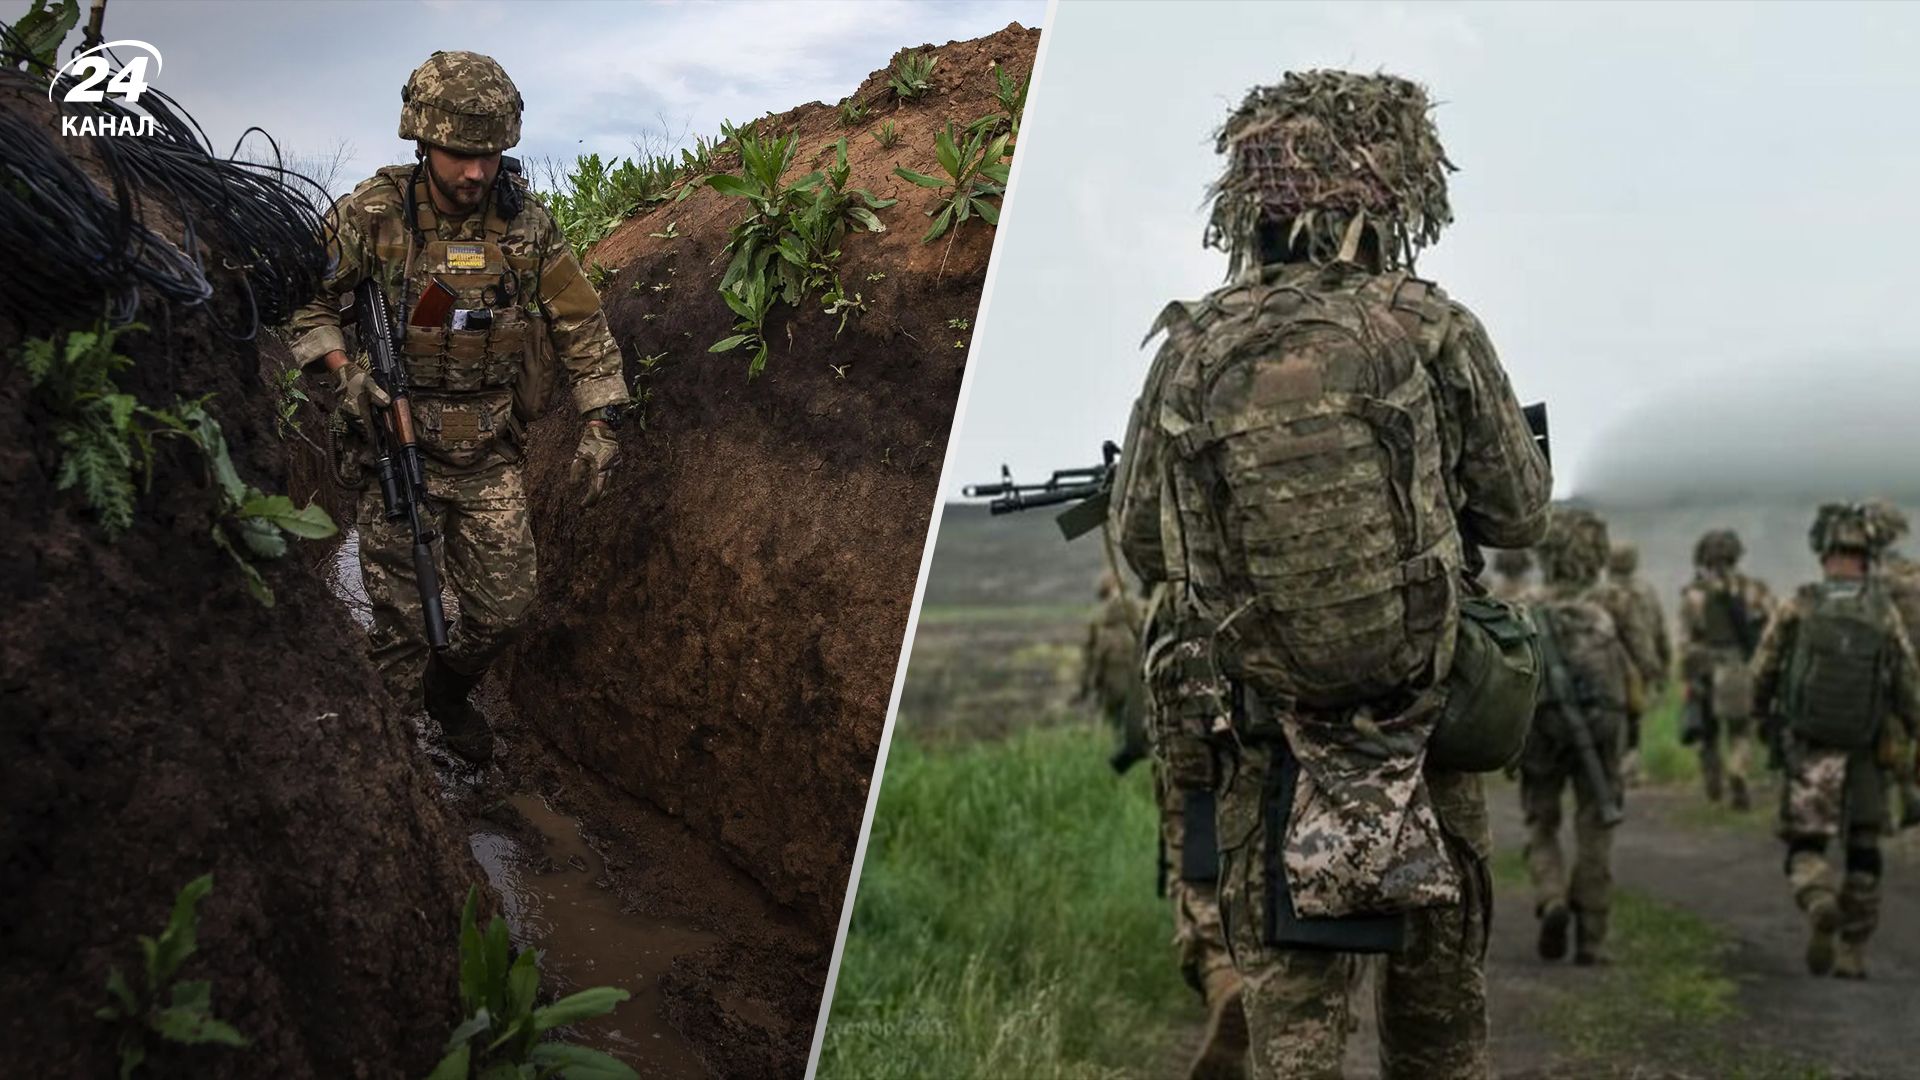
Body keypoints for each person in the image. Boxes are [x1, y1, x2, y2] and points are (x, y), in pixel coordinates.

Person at [1112, 69, 1550, 1079]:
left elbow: (1144, 543)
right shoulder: (1432, 326)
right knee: (1439, 1033)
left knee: (1296, 1032)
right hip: (1425, 724)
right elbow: (1520, 514)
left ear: (1246, 206)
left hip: (1269, 735)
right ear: (1395, 200)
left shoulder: (1189, 349)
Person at [288, 52, 630, 765]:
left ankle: (446, 696)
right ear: (423, 139)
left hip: (488, 453)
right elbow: (306, 302)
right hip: (394, 441)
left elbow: (581, 325)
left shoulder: (528, 227)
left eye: (490, 155)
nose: (476, 172)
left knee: (504, 612)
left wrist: (600, 418)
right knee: (405, 628)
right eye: (460, 155)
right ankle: (390, 768)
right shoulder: (374, 215)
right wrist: (347, 372)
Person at [1751, 504, 1920, 978]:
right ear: (1866, 558)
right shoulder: (1882, 610)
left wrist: (1761, 715)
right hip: (1867, 748)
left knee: (1806, 842)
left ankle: (1819, 898)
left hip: (1810, 747)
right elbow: (1907, 680)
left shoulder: (1801, 602)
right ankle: (1853, 950)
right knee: (1865, 846)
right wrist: (1912, 727)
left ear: (1824, 554)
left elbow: (1763, 668)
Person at [1519, 508, 1633, 965]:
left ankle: (1551, 898)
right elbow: (1647, 662)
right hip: (1603, 730)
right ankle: (1592, 939)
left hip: (1540, 730)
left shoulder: (1524, 605)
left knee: (1540, 823)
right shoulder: (1612, 604)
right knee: (1596, 826)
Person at [1677, 529, 1774, 809]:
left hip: (1703, 665)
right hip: (1737, 666)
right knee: (1741, 730)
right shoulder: (1754, 589)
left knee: (1707, 734)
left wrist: (1687, 674)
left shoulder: (1693, 594)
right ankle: (1738, 771)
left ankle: (1713, 786)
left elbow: (1683, 639)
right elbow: (1770, 629)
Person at [1864, 500, 1920, 829]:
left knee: (1880, 732)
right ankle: (1909, 793)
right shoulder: (1913, 573)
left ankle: (1884, 807)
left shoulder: (1870, 579)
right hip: (1914, 662)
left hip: (1884, 665)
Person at [1596, 541, 1669, 784]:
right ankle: (1629, 768)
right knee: (1634, 717)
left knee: (1609, 715)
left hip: (1604, 664)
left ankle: (1611, 767)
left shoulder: (1599, 592)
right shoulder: (1645, 592)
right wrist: (1659, 666)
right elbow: (1658, 631)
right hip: (1638, 665)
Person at [1080, 573, 1150, 774]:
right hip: (1138, 682)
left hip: (1113, 685)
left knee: (1120, 727)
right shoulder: (1142, 609)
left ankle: (1124, 765)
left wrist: (1087, 685)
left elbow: (1091, 657)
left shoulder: (1099, 620)